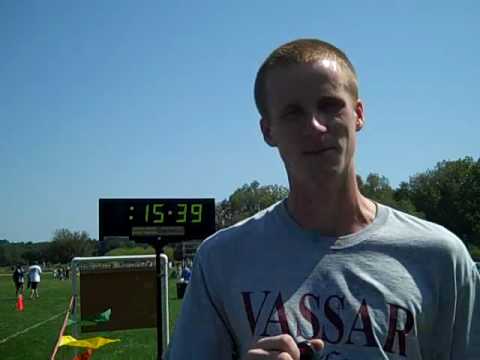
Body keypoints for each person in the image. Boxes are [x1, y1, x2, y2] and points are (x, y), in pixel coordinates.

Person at [165, 39, 480, 359]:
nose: (315, 126)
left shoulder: (441, 257)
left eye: (330, 105)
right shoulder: (222, 259)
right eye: (292, 113)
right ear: (268, 131)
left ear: (358, 114)